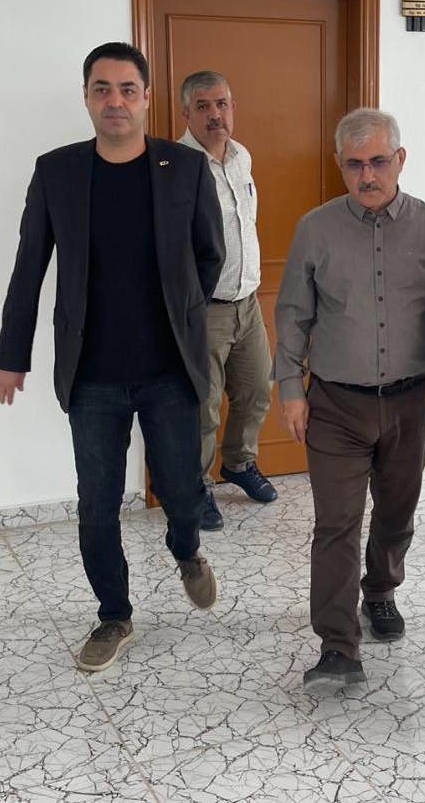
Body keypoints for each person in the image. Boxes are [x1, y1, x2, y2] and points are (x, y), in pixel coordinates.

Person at [0, 42, 225, 672]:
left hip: (170, 370)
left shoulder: (185, 167)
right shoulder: (57, 172)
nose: (114, 100)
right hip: (92, 375)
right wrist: (11, 355)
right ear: (87, 99)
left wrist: (183, 311)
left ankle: (186, 550)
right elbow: (29, 267)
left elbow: (210, 253)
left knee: (182, 492)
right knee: (97, 504)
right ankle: (114, 615)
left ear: (147, 98)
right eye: (102, 89)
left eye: (127, 89)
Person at [274, 108, 425, 692]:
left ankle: (379, 590)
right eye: (354, 164)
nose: (367, 175)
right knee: (336, 523)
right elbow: (293, 314)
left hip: (410, 401)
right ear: (339, 165)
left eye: (378, 161)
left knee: (397, 511)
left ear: (400, 159)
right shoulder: (315, 229)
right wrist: (290, 389)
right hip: (335, 405)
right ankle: (337, 646)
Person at [178, 70, 277, 532]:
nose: (215, 114)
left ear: (232, 107)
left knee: (257, 390)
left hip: (248, 302)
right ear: (187, 113)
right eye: (203, 106)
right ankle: (195, 486)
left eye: (222, 104)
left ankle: (238, 463)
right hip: (205, 308)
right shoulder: (177, 166)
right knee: (203, 406)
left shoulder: (242, 157)